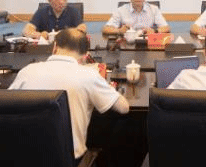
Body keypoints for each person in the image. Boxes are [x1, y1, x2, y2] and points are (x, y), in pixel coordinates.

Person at [8, 28, 130, 159]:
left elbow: (5, 106)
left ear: (54, 46)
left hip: (24, 157)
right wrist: (106, 86)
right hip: (67, 161)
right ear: (85, 55)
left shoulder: (27, 71)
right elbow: (124, 108)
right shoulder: (89, 75)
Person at [103, 0, 169, 36]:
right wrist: (119, 30)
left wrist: (155, 31)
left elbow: (166, 27)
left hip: (147, 42)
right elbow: (105, 29)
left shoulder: (154, 9)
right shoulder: (121, 10)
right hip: (128, 43)